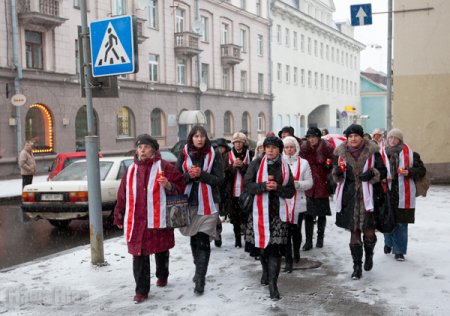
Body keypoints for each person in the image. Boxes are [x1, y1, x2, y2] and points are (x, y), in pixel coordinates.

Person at [114, 134, 185, 303]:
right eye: (139, 147)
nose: (142, 150)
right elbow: (122, 195)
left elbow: (181, 187)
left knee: (160, 248)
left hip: (158, 218)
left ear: (153, 149)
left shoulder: (164, 167)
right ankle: (141, 290)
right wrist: (119, 214)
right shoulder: (131, 170)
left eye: (146, 147)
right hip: (137, 221)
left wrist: (169, 186)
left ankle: (162, 274)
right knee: (139, 254)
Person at [332, 124, 387, 280]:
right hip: (349, 198)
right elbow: (336, 175)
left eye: (356, 136)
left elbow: (383, 171)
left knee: (369, 233)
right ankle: (357, 266)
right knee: (354, 232)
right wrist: (337, 173)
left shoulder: (373, 152)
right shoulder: (340, 153)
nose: (353, 139)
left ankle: (369, 254)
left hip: (369, 197)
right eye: (350, 136)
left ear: (362, 137)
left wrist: (372, 173)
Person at [244, 136, 295, 300]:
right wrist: (263, 186)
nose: (270, 150)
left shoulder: (285, 166)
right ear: (264, 149)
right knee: (263, 248)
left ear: (279, 150)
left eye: (274, 147)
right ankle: (265, 271)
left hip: (277, 215)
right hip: (259, 212)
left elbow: (290, 191)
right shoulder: (256, 164)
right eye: (268, 147)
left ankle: (273, 284)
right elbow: (247, 185)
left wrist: (278, 188)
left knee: (275, 250)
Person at [177, 125, 224, 295]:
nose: (199, 139)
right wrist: (189, 175)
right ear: (191, 138)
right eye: (196, 136)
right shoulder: (183, 153)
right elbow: (177, 179)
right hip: (190, 203)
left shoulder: (214, 154)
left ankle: (201, 278)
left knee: (203, 239)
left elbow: (220, 179)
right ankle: (198, 270)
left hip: (210, 203)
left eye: (202, 136)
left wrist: (202, 175)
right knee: (194, 239)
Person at [383, 128, 426, 261]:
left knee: (401, 223)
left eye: (396, 138)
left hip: (403, 193)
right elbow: (375, 170)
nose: (392, 140)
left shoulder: (412, 154)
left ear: (400, 140)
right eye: (390, 138)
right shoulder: (382, 154)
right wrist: (382, 177)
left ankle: (399, 251)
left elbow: (421, 170)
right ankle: (388, 242)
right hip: (386, 193)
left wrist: (409, 171)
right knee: (386, 220)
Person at [299, 127, 334, 250]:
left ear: (319, 137)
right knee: (308, 214)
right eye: (309, 137)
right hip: (308, 185)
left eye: (313, 137)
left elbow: (333, 165)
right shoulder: (304, 150)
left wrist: (328, 166)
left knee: (321, 214)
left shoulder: (327, 148)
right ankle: (308, 241)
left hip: (322, 184)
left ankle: (320, 238)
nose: (311, 140)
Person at [282, 136, 313, 273]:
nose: (289, 150)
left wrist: (298, 184)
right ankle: (288, 260)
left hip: (298, 202)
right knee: (286, 232)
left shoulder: (304, 163)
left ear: (296, 148)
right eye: (286, 147)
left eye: (291, 147)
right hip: (283, 203)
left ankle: (296, 252)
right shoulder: (279, 162)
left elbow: (310, 183)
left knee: (296, 231)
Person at [225, 132, 252, 248]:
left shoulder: (250, 154)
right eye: (235, 142)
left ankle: (247, 237)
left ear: (244, 143)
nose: (237, 145)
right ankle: (237, 239)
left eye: (240, 142)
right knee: (235, 217)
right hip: (232, 191)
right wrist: (232, 167)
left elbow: (252, 173)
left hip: (246, 191)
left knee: (246, 216)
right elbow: (224, 172)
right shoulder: (228, 155)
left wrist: (242, 167)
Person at [214, 138, 231, 247]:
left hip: (224, 190)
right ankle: (216, 234)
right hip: (214, 190)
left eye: (222, 148)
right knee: (214, 215)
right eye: (218, 148)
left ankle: (217, 233)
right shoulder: (212, 159)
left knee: (217, 214)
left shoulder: (227, 158)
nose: (220, 150)